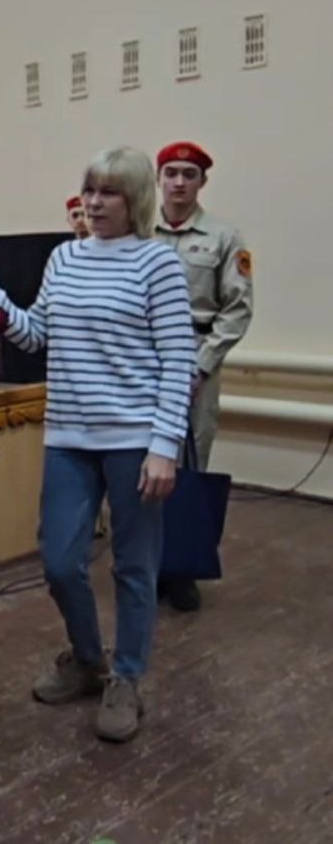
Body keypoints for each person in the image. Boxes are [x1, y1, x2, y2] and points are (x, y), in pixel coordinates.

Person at [0, 146, 195, 742]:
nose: (95, 203)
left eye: (109, 193)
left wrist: (164, 445)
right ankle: (87, 658)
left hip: (134, 439)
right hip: (69, 437)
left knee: (134, 566)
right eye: (89, 190)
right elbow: (37, 333)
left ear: (136, 200)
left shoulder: (157, 263)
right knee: (58, 561)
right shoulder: (64, 258)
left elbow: (178, 360)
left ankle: (125, 678)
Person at [154, 141, 254, 612]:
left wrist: (200, 364)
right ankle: (148, 562)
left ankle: (182, 568)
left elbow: (237, 309)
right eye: (171, 173)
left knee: (190, 460)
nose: (179, 182)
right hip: (144, 358)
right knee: (142, 458)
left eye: (189, 174)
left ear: (202, 182)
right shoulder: (137, 232)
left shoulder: (224, 237)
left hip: (197, 357)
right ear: (159, 179)